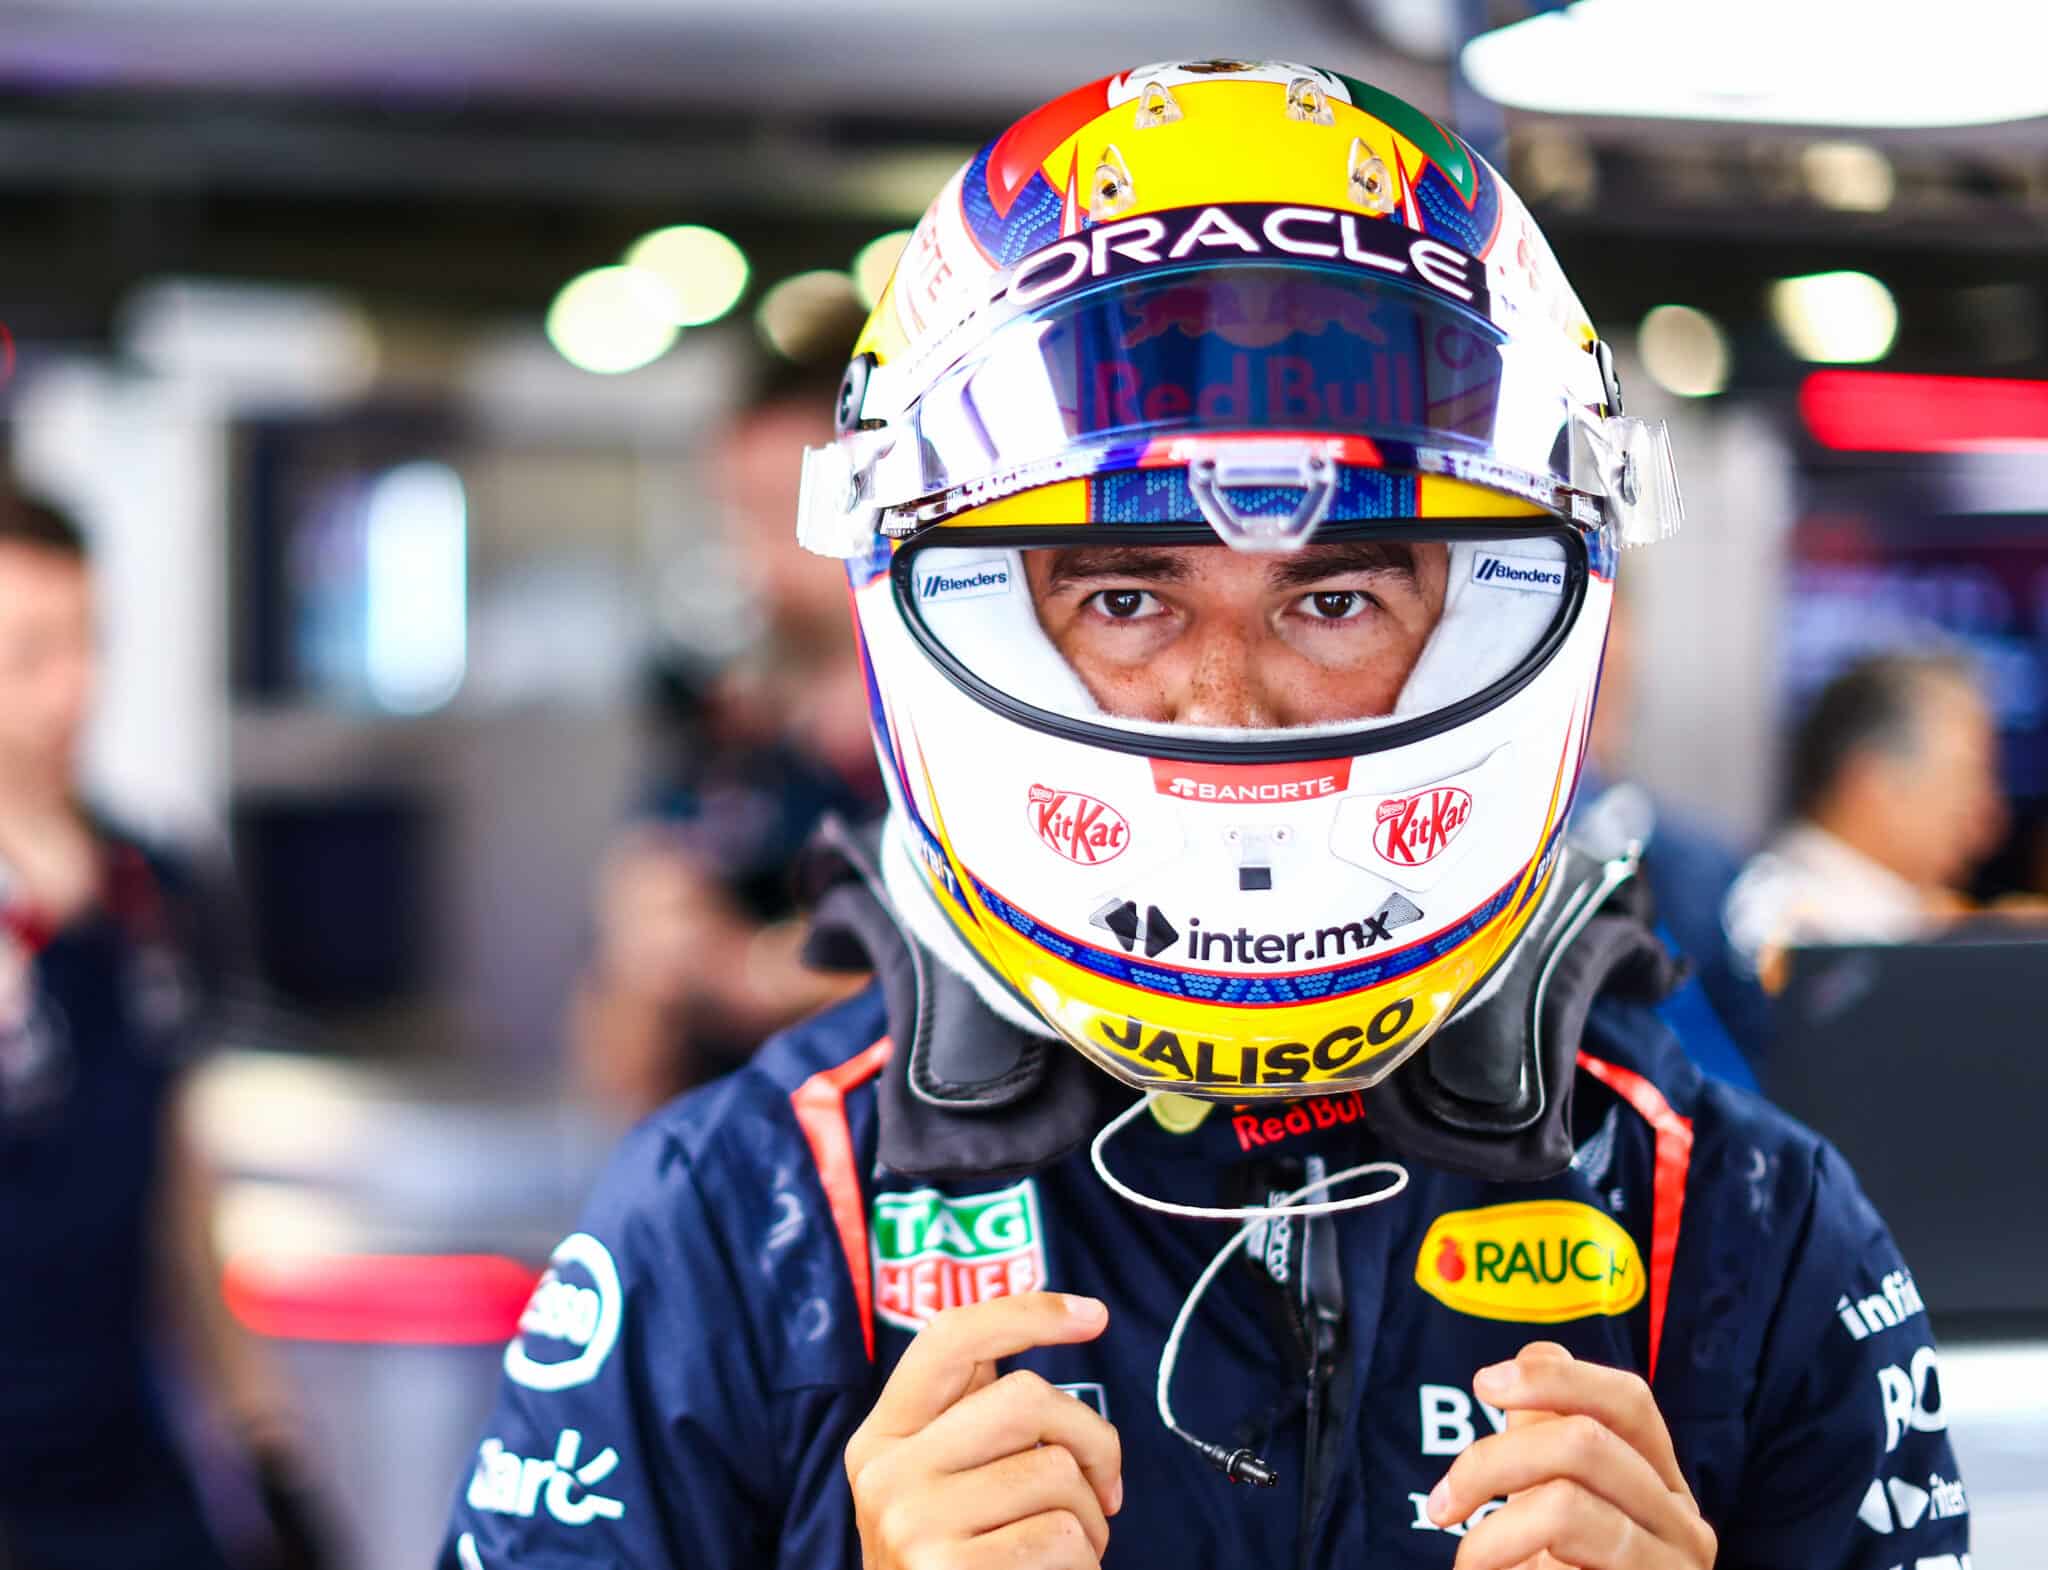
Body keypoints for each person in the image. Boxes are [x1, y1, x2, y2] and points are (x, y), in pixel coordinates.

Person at [445, 61, 1966, 1569]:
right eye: (1125, 596)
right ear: (971, 615)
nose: (1223, 702)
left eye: (1336, 595)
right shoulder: (742, 1222)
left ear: (1497, 621)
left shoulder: (1744, 1232)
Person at [0, 485, 318, 1567]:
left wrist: (264, 1438)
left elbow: (179, 1178)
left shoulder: (152, 885)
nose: (71, 689)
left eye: (86, 643)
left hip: (130, 1458)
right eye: (31, 655)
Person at [569, 358, 883, 1118]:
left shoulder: (961, 755)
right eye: (738, 515)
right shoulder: (724, 756)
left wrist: (756, 973)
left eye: (785, 512)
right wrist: (649, 964)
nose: (757, 557)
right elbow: (616, 1064)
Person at [1724, 649, 2009, 978]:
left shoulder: (1918, 919)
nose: (1989, 812)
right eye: (1966, 779)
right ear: (1869, 782)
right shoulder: (1783, 925)